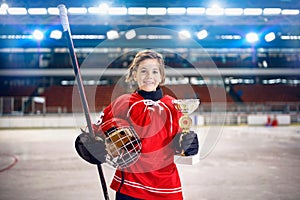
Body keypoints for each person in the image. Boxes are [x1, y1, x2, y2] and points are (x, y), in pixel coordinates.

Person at [75, 49, 199, 200]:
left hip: (166, 188)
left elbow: (179, 143)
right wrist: (86, 144)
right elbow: (95, 130)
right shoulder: (123, 102)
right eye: (143, 71)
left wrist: (188, 144)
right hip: (130, 186)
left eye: (154, 71)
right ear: (134, 75)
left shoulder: (174, 106)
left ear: (161, 76)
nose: (149, 77)